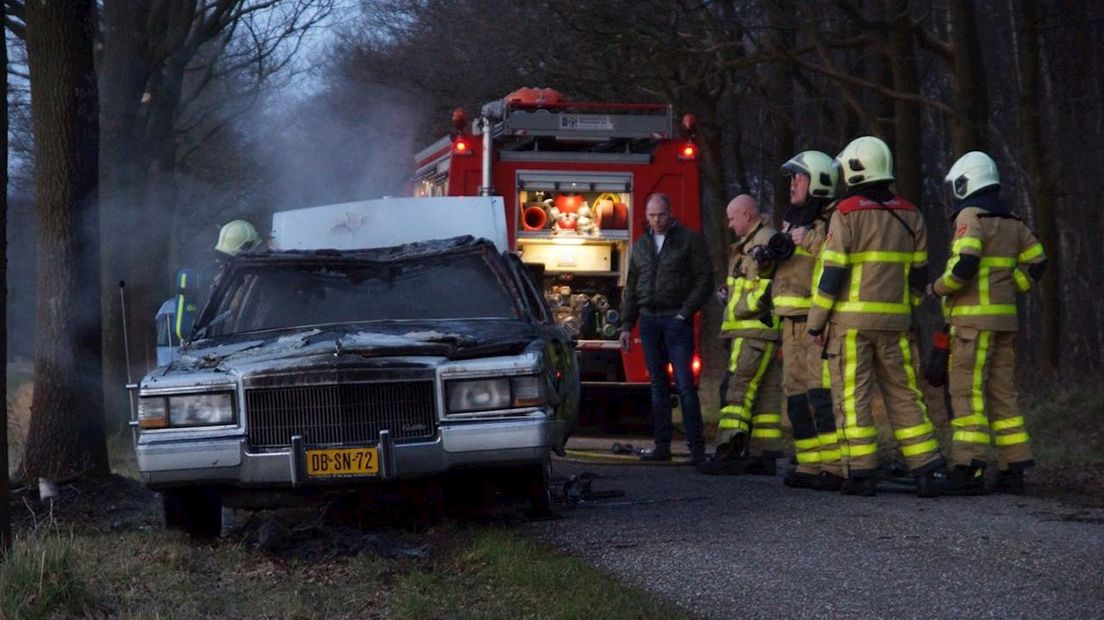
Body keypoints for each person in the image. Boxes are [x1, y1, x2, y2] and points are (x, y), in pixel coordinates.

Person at [806, 136, 945, 497]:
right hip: (896, 326)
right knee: (905, 394)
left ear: (855, 169)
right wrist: (906, 309)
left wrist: (816, 322)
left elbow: (832, 274)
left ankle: (862, 473)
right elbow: (919, 275)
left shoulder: (846, 212)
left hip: (850, 327)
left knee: (853, 398)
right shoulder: (911, 213)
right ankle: (927, 467)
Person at [928, 151, 1047, 495]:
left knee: (967, 394)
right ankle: (1015, 468)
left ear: (969, 181)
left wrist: (938, 288)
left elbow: (965, 263)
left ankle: (969, 467)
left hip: (972, 325)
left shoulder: (970, 215)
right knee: (1002, 396)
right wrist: (1012, 289)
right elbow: (1039, 263)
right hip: (1004, 323)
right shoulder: (1013, 219)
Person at [619, 193, 713, 464]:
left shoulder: (689, 240)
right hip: (649, 321)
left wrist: (686, 312)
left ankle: (697, 449)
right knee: (657, 386)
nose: (656, 220)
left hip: (676, 320)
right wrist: (627, 325)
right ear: (646, 216)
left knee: (684, 385)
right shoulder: (640, 246)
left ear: (670, 213)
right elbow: (633, 289)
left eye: (661, 214)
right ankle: (663, 446)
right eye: (652, 215)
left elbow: (704, 279)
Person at [772, 151, 846, 490]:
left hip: (819, 324)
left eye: (799, 178)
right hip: (789, 321)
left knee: (821, 396)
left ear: (818, 182)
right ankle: (810, 465)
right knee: (796, 397)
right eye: (792, 179)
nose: (793, 185)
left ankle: (834, 466)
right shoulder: (789, 220)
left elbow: (839, 261)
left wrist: (811, 239)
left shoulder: (832, 219)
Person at [696, 195, 783, 475]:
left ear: (746, 214)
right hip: (759, 330)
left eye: (732, 218)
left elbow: (767, 288)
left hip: (753, 330)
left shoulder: (763, 241)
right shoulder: (752, 243)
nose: (730, 225)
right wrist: (729, 293)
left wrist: (743, 308)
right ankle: (763, 453)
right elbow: (752, 284)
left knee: (737, 390)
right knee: (767, 393)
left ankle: (728, 451)